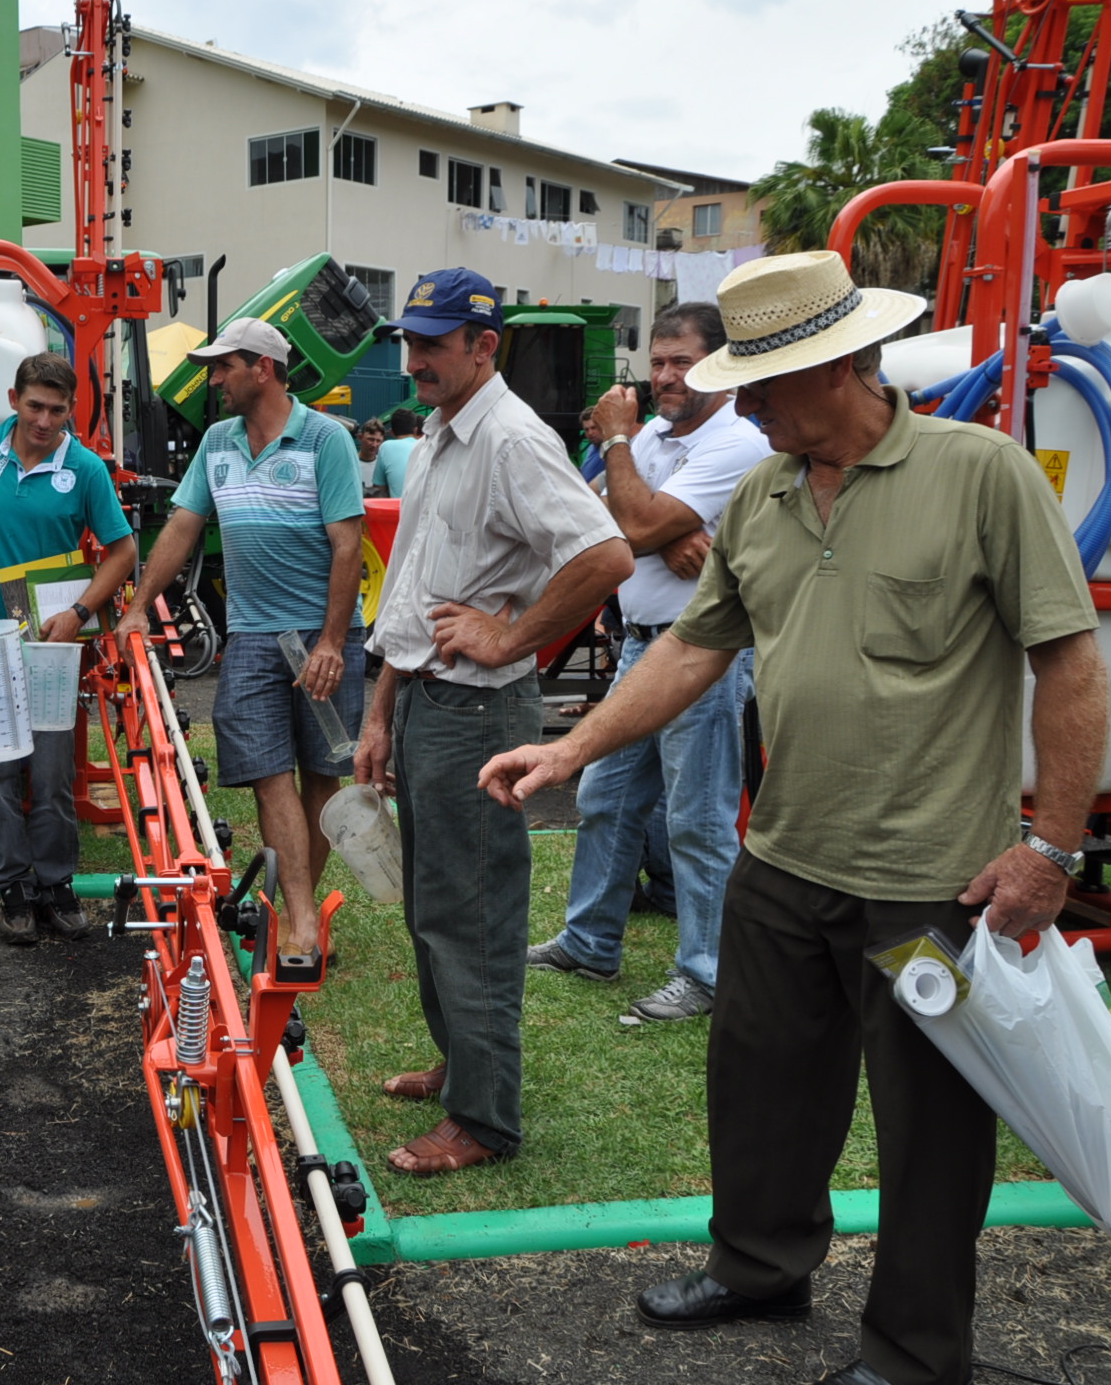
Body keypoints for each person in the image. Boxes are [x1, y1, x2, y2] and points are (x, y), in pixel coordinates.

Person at [481, 251, 1108, 1385]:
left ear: (846, 363)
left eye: (765, 383)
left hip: (931, 877)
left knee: (929, 1132)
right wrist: (569, 747)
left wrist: (1049, 848)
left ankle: (914, 1351)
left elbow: (1065, 659)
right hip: (781, 858)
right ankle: (757, 1265)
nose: (745, 403)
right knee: (758, 1081)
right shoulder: (764, 493)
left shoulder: (981, 474)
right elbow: (690, 645)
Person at [355, 267, 632, 1176]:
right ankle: (460, 1067)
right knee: (436, 904)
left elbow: (604, 554)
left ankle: (484, 1119)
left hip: (479, 713)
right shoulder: (442, 433)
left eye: (434, 343)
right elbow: (411, 595)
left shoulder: (510, 437)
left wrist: (512, 632)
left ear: (485, 346)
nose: (416, 360)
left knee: (471, 912)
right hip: (434, 702)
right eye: (411, 341)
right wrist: (382, 708)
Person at [526, 302, 769, 1022]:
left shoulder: (738, 443)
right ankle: (590, 940)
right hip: (643, 643)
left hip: (708, 648)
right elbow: (588, 524)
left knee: (696, 816)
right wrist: (663, 535)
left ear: (718, 366)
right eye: (657, 361)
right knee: (604, 795)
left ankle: (707, 972)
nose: (664, 376)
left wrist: (624, 453)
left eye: (681, 362)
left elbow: (624, 520)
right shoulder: (659, 438)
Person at [118, 317, 364, 963]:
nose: (214, 379)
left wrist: (333, 643)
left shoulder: (325, 440)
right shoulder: (218, 441)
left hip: (323, 631)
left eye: (223, 366)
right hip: (253, 636)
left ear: (262, 368)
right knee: (266, 773)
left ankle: (299, 908)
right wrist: (140, 606)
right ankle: (302, 919)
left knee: (321, 775)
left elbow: (347, 546)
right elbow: (181, 527)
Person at [0, 351, 135, 945]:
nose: (46, 421)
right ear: (15, 400)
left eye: (58, 411)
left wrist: (79, 612)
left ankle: (57, 884)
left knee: (50, 770)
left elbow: (122, 553)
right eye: (36, 406)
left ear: (72, 411)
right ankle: (13, 888)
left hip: (49, 642)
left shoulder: (86, 469)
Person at [369, 406, 420, 497]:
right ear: (415, 430)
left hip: (397, 509)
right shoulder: (425, 445)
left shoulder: (386, 447)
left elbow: (379, 489)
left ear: (392, 432)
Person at [354, 416, 385, 494]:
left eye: (378, 441)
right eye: (370, 439)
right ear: (360, 437)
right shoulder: (351, 463)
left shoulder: (383, 465)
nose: (374, 445)